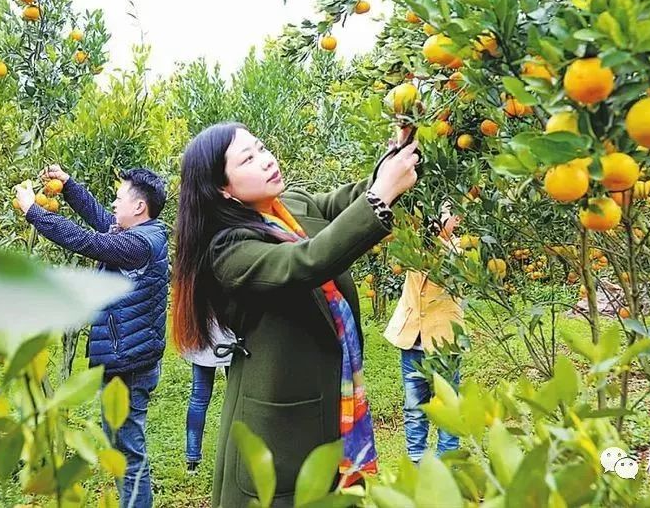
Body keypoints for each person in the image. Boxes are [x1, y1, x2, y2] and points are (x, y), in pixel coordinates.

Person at [170, 122, 419, 508]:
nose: (266, 161)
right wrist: (382, 193)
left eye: (262, 148)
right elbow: (306, 263)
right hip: (279, 426)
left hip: (334, 403)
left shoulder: (294, 206)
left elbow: (355, 200)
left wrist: (395, 156)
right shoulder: (229, 251)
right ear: (223, 188)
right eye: (248, 159)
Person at [14, 165, 169, 508]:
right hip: (129, 354)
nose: (113, 203)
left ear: (139, 206)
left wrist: (33, 212)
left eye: (119, 197)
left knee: (128, 454)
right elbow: (100, 218)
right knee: (125, 447)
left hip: (128, 361)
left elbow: (87, 241)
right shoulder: (141, 234)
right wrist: (69, 186)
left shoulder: (138, 244)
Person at [383, 206, 464, 463]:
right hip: (412, 339)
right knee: (414, 407)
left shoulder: (460, 250)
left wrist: (439, 236)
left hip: (444, 341)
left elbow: (448, 266)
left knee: (448, 403)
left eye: (449, 215)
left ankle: (447, 461)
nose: (447, 219)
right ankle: (417, 460)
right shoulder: (414, 246)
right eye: (443, 213)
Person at [180, 321, 235, 474]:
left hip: (203, 336)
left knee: (198, 399)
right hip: (230, 338)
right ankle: (235, 453)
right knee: (235, 395)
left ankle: (192, 459)